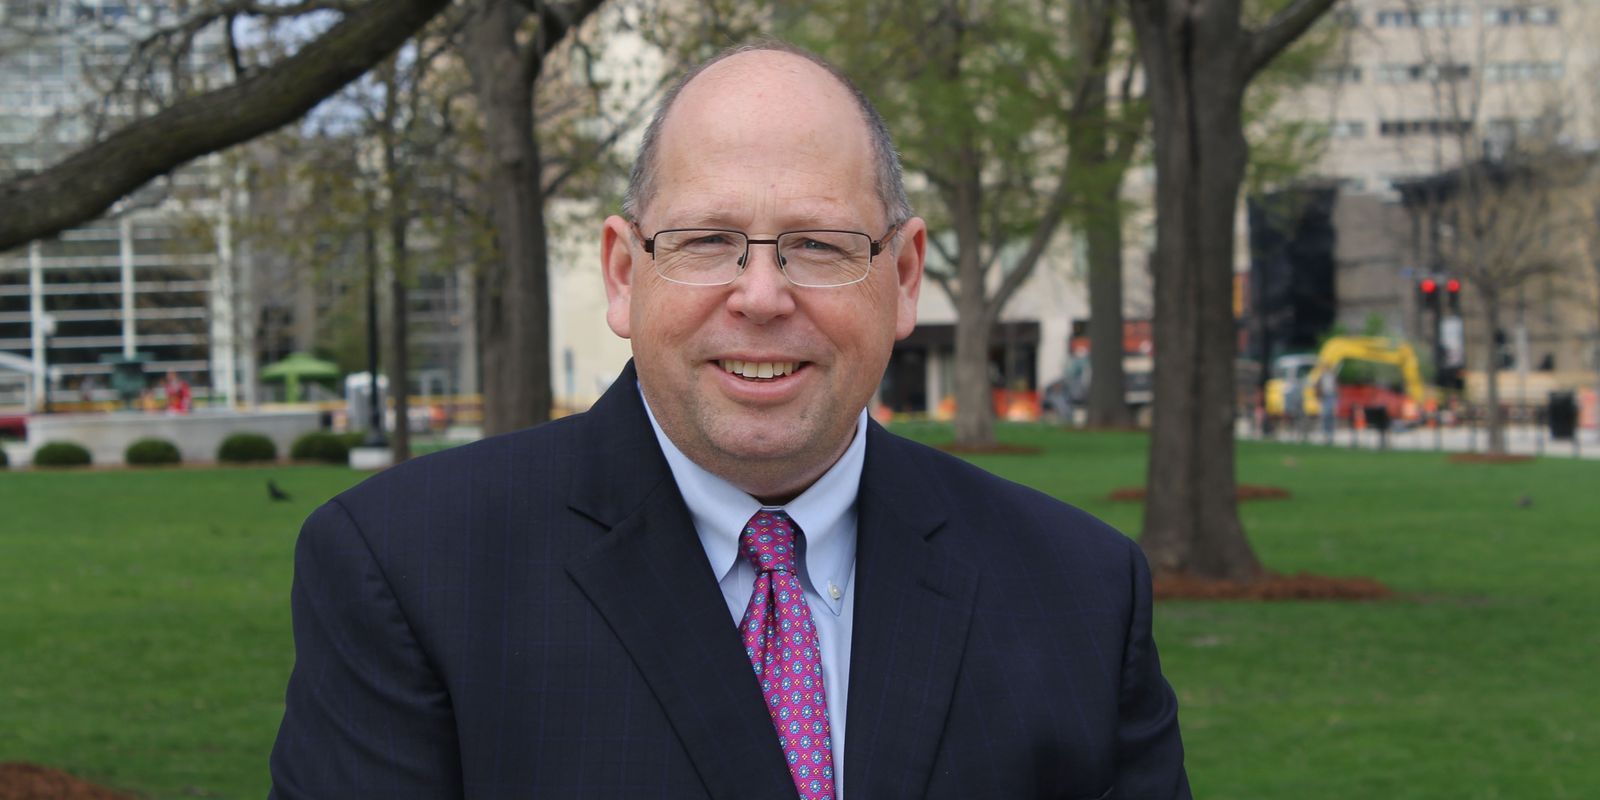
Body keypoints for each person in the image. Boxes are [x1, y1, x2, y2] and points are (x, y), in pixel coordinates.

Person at [270, 42, 1188, 799]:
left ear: (905, 277)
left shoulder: (1081, 591)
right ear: (624, 273)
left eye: (817, 245)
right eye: (708, 241)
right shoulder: (409, 573)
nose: (760, 296)